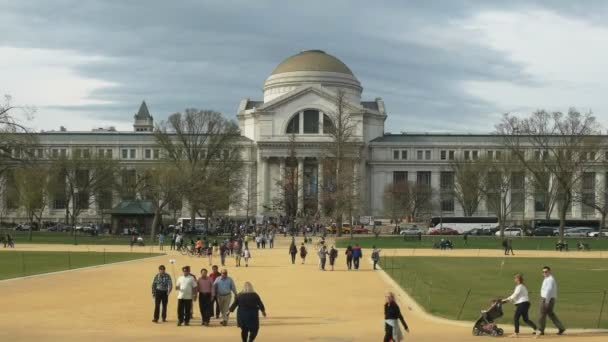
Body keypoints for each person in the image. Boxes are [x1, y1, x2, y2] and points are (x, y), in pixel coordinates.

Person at [502, 273, 538, 337]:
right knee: (526, 319)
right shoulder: (522, 286)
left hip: (522, 304)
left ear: (518, 279)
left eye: (515, 278)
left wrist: (505, 300)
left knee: (516, 318)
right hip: (525, 304)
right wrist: (507, 300)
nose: (514, 279)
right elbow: (520, 294)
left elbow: (515, 295)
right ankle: (537, 330)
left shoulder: (520, 286)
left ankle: (516, 333)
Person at [538, 266, 565, 336]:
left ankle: (541, 330)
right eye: (543, 272)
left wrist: (546, 301)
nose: (544, 273)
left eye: (546, 272)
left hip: (547, 299)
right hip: (549, 299)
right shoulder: (547, 278)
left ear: (549, 272)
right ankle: (561, 328)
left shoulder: (550, 279)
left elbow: (549, 290)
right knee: (551, 314)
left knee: (542, 314)